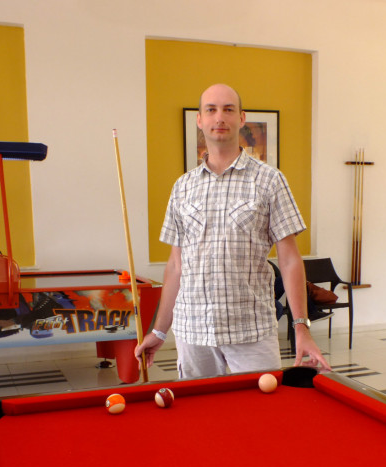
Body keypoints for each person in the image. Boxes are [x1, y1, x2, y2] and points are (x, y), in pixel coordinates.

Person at [135, 83, 331, 378]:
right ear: (199, 119)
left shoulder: (269, 180)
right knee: (199, 408)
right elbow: (175, 266)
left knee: (260, 406)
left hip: (250, 329)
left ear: (241, 118)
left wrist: (301, 328)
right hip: (193, 331)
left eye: (228, 109)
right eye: (211, 110)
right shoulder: (182, 187)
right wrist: (159, 331)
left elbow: (290, 259)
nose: (219, 117)